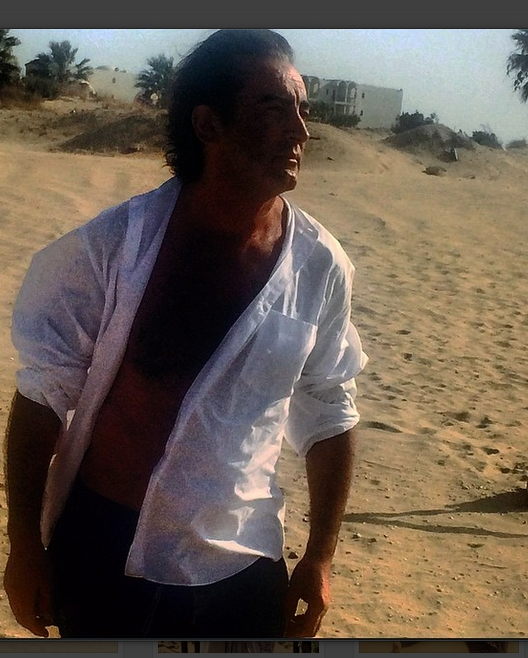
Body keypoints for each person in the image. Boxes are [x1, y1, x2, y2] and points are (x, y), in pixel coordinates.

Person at [3, 29, 367, 639]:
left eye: (303, 110)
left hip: (242, 563)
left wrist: (320, 558)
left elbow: (330, 410)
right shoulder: (113, 248)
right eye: (274, 108)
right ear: (208, 125)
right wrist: (24, 546)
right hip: (104, 553)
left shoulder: (319, 266)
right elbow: (41, 395)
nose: (301, 131)